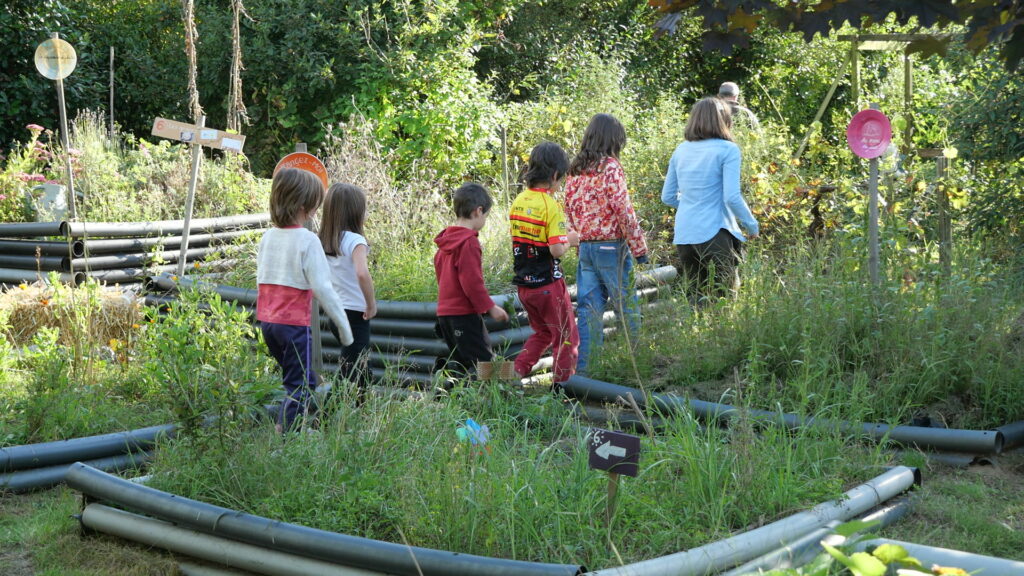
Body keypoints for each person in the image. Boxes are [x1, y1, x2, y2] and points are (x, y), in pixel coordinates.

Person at [257, 168, 353, 432]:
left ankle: (290, 425)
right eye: (314, 205)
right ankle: (289, 435)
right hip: (294, 325)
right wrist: (345, 330)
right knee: (300, 384)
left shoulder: (268, 237)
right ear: (304, 206)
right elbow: (323, 288)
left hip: (268, 322)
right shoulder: (307, 240)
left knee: (298, 377)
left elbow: (261, 279)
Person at [564, 113, 649, 376]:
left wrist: (579, 245)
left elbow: (569, 210)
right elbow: (623, 210)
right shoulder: (610, 167)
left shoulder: (574, 170)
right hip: (612, 247)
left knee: (589, 313)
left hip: (587, 249)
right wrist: (639, 248)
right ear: (613, 140)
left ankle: (587, 372)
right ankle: (638, 365)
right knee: (627, 306)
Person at [661, 97, 760, 302]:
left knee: (695, 297)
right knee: (726, 296)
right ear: (724, 120)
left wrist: (692, 203)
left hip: (685, 233)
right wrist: (752, 225)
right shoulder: (728, 149)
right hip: (714, 231)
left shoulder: (681, 149)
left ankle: (694, 334)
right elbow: (732, 196)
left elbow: (668, 197)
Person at [510, 142, 580, 390]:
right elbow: (556, 249)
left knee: (541, 333)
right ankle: (563, 388)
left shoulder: (519, 200)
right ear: (554, 176)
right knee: (567, 337)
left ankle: (512, 373)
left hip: (525, 287)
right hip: (549, 285)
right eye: (561, 180)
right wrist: (570, 240)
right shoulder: (551, 206)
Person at [433, 182, 510, 380]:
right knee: (487, 362)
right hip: (464, 315)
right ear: (478, 211)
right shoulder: (469, 242)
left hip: (445, 316)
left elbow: (441, 278)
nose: (484, 220)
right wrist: (491, 307)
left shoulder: (444, 243)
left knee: (462, 364)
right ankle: (509, 396)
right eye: (485, 216)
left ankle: (461, 405)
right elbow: (472, 283)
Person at [318, 182, 377, 403]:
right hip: (355, 314)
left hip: (334, 312)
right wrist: (371, 304)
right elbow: (362, 274)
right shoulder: (356, 241)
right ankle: (321, 418)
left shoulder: (325, 240)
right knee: (349, 370)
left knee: (362, 364)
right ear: (356, 212)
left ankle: (364, 412)